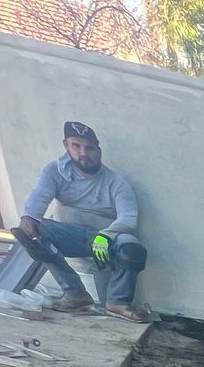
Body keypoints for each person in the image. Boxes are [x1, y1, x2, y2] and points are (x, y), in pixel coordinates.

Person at [13, 120, 150, 323]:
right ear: (66, 145)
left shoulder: (115, 183)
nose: (83, 153)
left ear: (99, 150)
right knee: (32, 233)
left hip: (106, 237)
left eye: (89, 148)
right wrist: (29, 219)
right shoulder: (55, 172)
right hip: (71, 235)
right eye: (76, 146)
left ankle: (118, 302)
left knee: (132, 250)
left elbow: (129, 218)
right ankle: (75, 293)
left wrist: (106, 235)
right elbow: (37, 201)